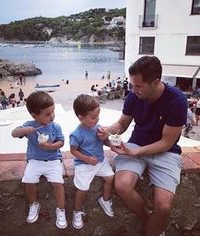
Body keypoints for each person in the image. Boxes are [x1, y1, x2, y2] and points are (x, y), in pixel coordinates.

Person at [98, 56, 187, 236]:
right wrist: (108, 130)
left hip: (166, 152)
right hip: (136, 144)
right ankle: (150, 221)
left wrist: (135, 152)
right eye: (132, 85)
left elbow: (166, 142)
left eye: (138, 86)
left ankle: (153, 228)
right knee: (122, 185)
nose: (133, 90)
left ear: (155, 82)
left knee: (163, 206)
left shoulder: (177, 101)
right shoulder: (133, 96)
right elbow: (122, 124)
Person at [11, 91, 67, 229]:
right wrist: (24, 131)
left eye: (53, 112)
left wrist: (49, 146)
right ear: (34, 115)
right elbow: (14, 133)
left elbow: (61, 142)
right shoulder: (30, 125)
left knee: (58, 183)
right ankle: (33, 204)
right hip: (35, 159)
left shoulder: (55, 126)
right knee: (29, 180)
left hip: (53, 159)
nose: (52, 116)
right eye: (47, 114)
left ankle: (61, 209)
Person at [70, 94, 114, 229]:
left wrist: (107, 139)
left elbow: (105, 141)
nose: (97, 120)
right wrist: (87, 159)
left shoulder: (98, 127)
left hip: (100, 161)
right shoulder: (76, 134)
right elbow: (73, 151)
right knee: (83, 188)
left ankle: (105, 200)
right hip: (84, 164)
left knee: (111, 178)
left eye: (98, 116)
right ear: (81, 117)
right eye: (94, 117)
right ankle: (76, 211)